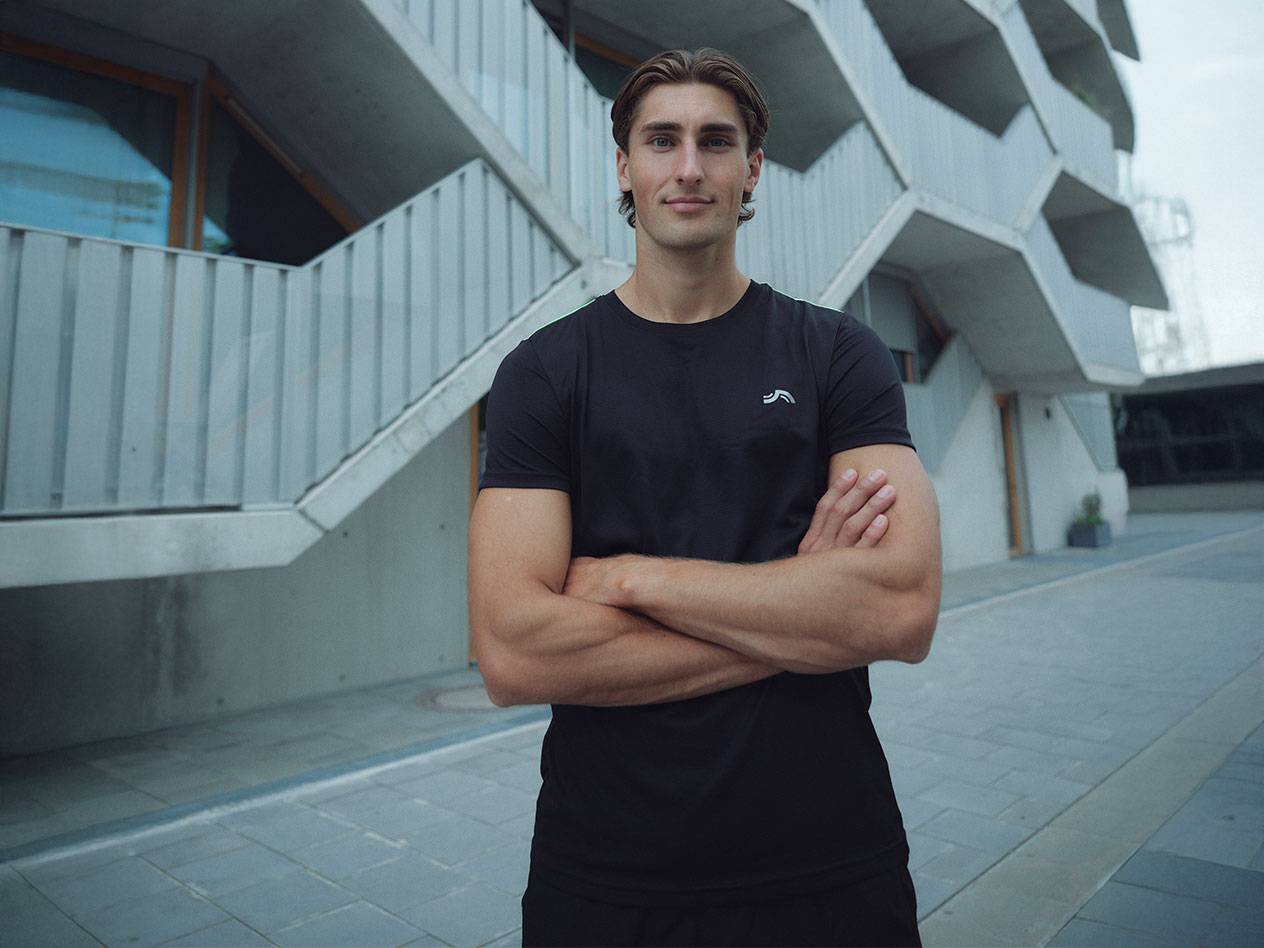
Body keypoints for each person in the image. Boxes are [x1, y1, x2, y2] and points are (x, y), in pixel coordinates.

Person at [468, 47, 941, 947]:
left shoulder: (839, 355)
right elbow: (513, 653)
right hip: (606, 878)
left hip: (831, 863)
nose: (689, 167)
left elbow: (900, 610)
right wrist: (802, 616)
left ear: (751, 168)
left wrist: (629, 579)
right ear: (625, 166)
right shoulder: (545, 373)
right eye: (663, 140)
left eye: (716, 142)